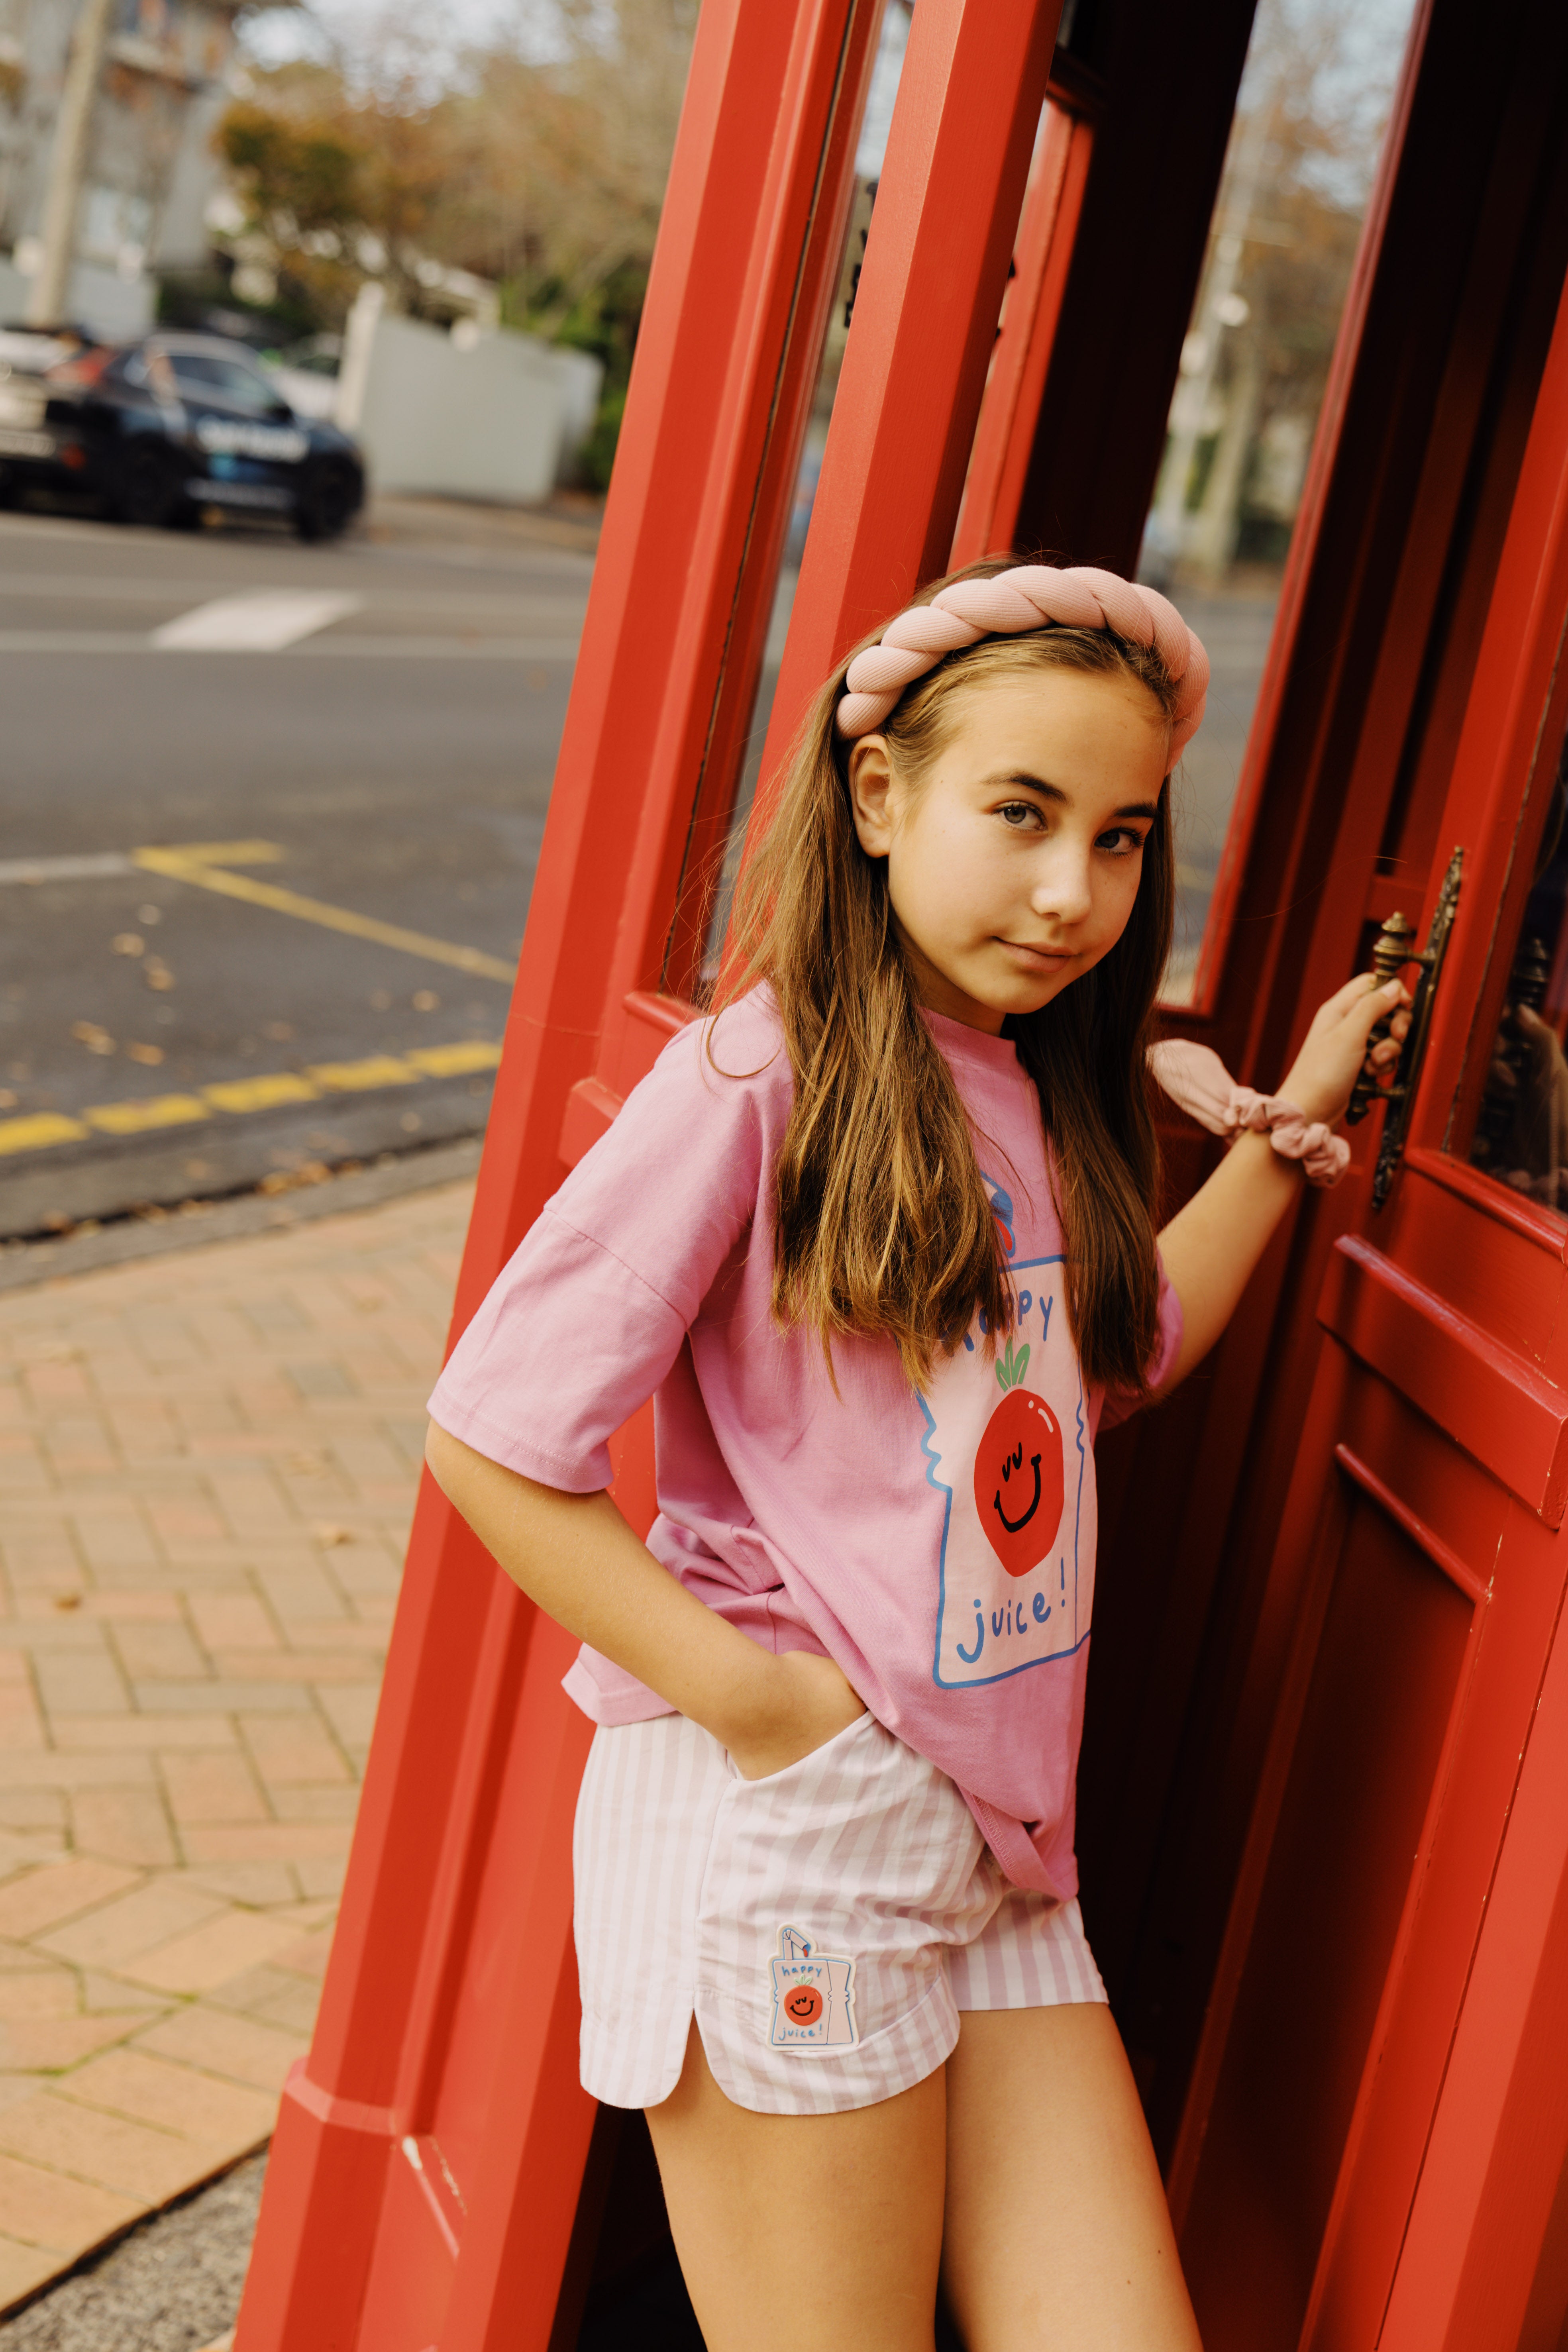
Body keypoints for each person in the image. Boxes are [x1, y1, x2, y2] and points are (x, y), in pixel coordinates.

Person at [424, 560, 1408, 2351]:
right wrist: (763, 1710)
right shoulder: (760, 1076)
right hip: (803, 1824)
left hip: (996, 1844)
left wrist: (1291, 1133)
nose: (1071, 889)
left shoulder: (1023, 1083)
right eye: (1020, 814)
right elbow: (493, 1435)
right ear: (880, 796)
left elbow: (1104, 1371)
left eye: (1118, 839)